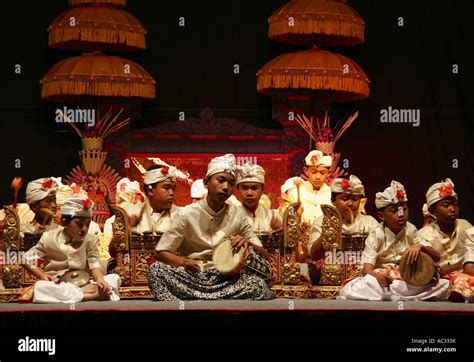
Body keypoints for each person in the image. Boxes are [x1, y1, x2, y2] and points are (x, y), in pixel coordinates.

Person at [146, 154, 274, 301]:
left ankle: (193, 300)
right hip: (192, 277)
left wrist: (248, 242)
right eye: (221, 180)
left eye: (231, 183)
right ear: (206, 182)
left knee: (257, 285)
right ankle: (216, 299)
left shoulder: (238, 214)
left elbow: (265, 254)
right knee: (155, 271)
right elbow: (160, 253)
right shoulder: (186, 213)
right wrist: (183, 262)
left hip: (225, 278)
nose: (226, 187)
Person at [339, 180, 449, 301]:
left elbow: (436, 257)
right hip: (386, 281)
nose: (401, 214)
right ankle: (403, 296)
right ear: (381, 216)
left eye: (404, 209)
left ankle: (394, 296)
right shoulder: (376, 234)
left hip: (407, 280)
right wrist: (377, 276)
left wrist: (419, 246)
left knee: (444, 284)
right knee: (358, 286)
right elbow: (367, 271)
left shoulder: (411, 230)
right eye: (394, 210)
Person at [21, 195, 121, 303]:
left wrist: (99, 279)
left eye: (87, 225)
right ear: (65, 222)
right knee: (41, 287)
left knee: (114, 278)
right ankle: (89, 296)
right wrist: (41, 275)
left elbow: (95, 264)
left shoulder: (90, 240)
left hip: (85, 282)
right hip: (60, 284)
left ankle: (78, 294)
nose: (84, 229)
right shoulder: (49, 238)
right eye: (79, 225)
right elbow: (25, 259)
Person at [416, 179, 472, 301]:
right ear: (432, 211)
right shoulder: (424, 234)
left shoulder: (466, 227)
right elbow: (428, 272)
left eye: (455, 205)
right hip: (439, 283)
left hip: (466, 277)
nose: (452, 209)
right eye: (446, 205)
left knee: (462, 281)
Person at [307, 175, 379, 264]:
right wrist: (327, 231)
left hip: (362, 275)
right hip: (331, 274)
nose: (350, 204)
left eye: (355, 199)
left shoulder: (370, 223)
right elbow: (313, 255)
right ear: (333, 200)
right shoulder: (322, 222)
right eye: (345, 199)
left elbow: (379, 255)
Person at [278, 150, 332, 225]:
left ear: (329, 173)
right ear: (306, 171)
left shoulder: (332, 194)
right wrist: (296, 215)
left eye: (322, 173)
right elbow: (282, 218)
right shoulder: (296, 192)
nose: (318, 177)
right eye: (313, 172)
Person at [236, 162, 281, 233]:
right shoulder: (231, 217)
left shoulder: (272, 216)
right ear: (238, 190)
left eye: (254, 188)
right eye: (244, 188)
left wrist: (280, 231)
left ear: (262, 190)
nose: (249, 193)